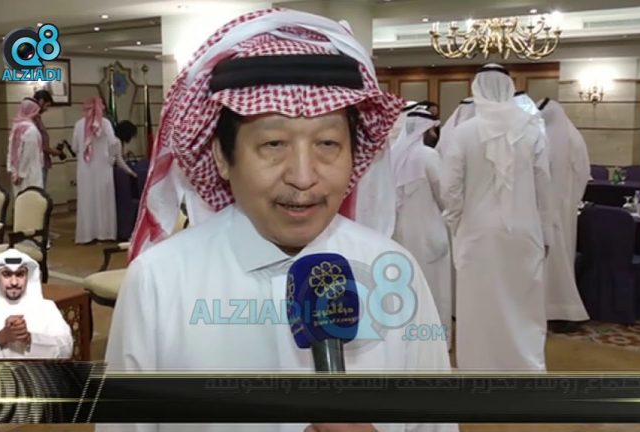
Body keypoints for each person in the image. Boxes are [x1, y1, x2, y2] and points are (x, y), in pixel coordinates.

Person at [102, 8, 454, 432]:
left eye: (328, 143)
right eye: (273, 144)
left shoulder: (395, 271)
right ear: (222, 156)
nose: (303, 177)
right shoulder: (158, 282)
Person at [441, 66, 552, 371]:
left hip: (477, 233)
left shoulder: (463, 132)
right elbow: (545, 188)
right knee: (523, 304)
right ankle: (525, 368)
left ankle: (479, 368)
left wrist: (456, 223)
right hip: (524, 231)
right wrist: (545, 233)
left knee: (479, 306)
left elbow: (450, 189)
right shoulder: (532, 130)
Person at [390, 106, 452, 343]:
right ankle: (436, 341)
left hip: (401, 236)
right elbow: (444, 195)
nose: (435, 135)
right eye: (432, 130)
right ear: (425, 130)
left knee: (408, 290)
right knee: (435, 289)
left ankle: (410, 341)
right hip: (430, 233)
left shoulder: (394, 155)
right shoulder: (428, 156)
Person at [0, 248, 73, 359]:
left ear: (28, 276)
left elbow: (66, 349)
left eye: (20, 274)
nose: (14, 282)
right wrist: (1, 338)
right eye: (7, 274)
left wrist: (30, 338)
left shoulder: (47, 308)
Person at [539, 98, 591, 330]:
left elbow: (583, 172)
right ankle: (547, 308)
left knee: (559, 256)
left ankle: (565, 310)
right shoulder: (541, 137)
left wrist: (569, 199)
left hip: (561, 207)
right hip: (549, 207)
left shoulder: (571, 137)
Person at [73, 98, 137, 244]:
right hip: (102, 167)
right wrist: (111, 158)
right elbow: (114, 143)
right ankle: (104, 233)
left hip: (85, 168)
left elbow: (75, 147)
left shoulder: (78, 124)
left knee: (87, 200)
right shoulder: (105, 123)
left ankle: (86, 235)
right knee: (103, 201)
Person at [7, 99, 44, 197]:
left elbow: (11, 151)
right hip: (29, 172)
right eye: (36, 111)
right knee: (32, 200)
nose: (37, 114)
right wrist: (21, 174)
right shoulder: (31, 130)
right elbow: (28, 154)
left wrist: (13, 171)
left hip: (17, 170)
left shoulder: (17, 126)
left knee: (20, 199)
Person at [30, 90, 62, 188]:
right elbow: (38, 144)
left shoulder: (37, 118)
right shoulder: (33, 119)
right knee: (39, 191)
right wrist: (52, 151)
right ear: (41, 101)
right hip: (37, 162)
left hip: (41, 161)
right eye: (47, 105)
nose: (47, 109)